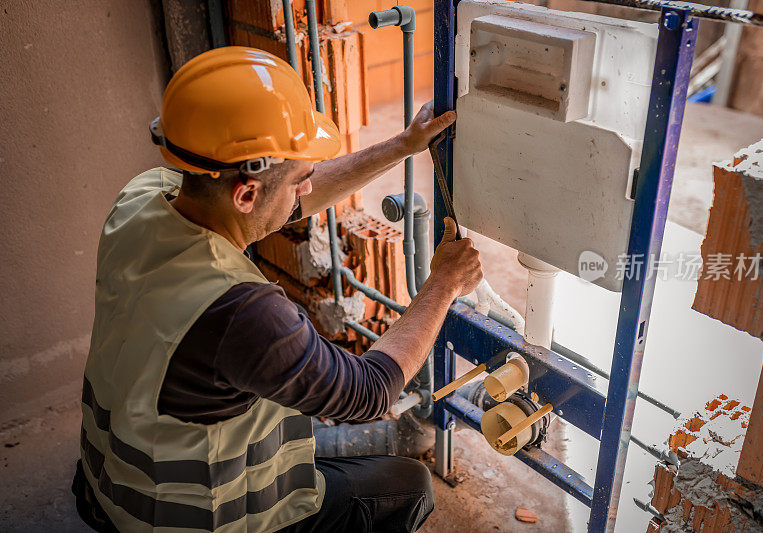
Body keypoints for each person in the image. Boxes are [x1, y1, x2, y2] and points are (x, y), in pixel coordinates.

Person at [72, 46, 482, 532]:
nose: (307, 192)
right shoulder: (241, 312)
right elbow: (369, 391)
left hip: (110, 485)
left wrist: (402, 145)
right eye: (300, 180)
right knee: (405, 487)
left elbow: (280, 199)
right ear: (244, 194)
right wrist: (442, 284)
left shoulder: (142, 199)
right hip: (194, 520)